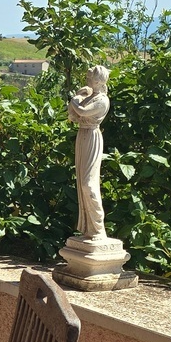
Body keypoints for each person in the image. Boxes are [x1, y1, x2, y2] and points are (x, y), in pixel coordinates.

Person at [68, 65, 111, 239]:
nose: (87, 80)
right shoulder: (89, 96)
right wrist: (77, 101)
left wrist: (75, 99)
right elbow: (72, 116)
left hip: (92, 136)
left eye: (90, 78)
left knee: (89, 184)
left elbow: (81, 111)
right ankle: (88, 228)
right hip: (82, 135)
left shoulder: (102, 100)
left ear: (99, 81)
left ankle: (98, 227)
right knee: (81, 182)